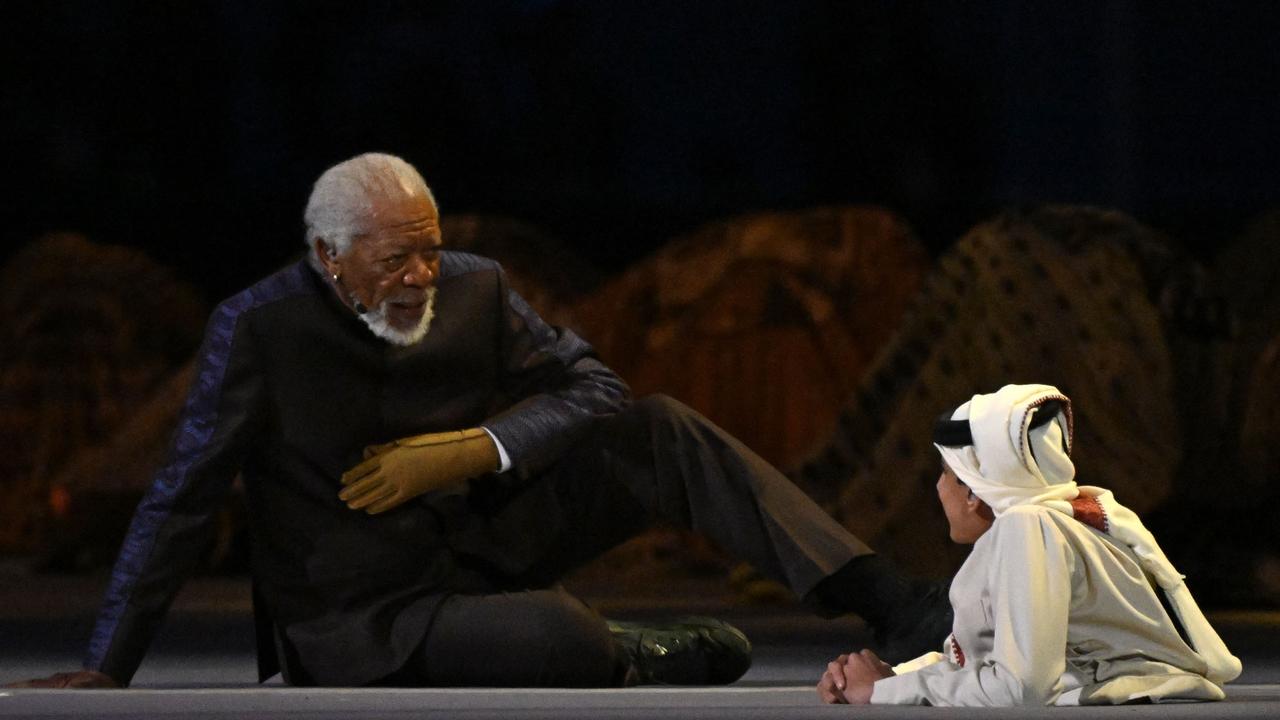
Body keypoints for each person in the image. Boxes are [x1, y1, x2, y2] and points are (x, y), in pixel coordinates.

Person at [10, 152, 948, 690]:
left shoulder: (474, 289)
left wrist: (475, 448)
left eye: (430, 250)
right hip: (367, 611)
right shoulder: (257, 331)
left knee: (663, 429)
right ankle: (636, 654)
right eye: (396, 262)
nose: (422, 276)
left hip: (480, 534)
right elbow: (178, 502)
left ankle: (894, 605)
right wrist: (109, 665)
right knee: (560, 640)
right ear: (332, 259)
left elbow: (596, 391)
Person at [817, 383, 1242, 706]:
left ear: (974, 488)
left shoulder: (1029, 527)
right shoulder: (1064, 514)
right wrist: (890, 677)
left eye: (947, 472)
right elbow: (994, 662)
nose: (938, 486)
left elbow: (1022, 686)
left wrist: (885, 693)